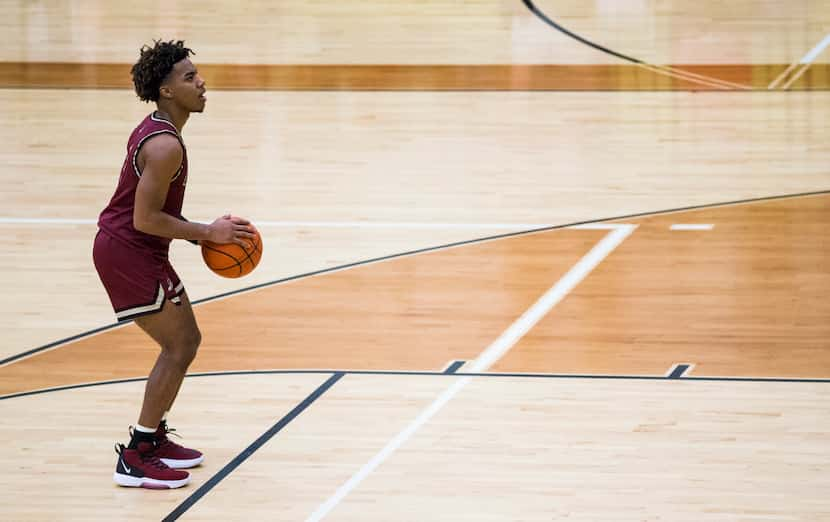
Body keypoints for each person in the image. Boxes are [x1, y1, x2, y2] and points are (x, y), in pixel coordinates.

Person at [92, 40, 254, 489]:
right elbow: (144, 219)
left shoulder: (160, 129)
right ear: (166, 90)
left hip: (136, 249)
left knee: (186, 342)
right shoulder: (164, 146)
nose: (201, 82)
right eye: (188, 77)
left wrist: (204, 228)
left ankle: (152, 439)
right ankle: (137, 455)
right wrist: (207, 232)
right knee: (179, 346)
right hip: (128, 252)